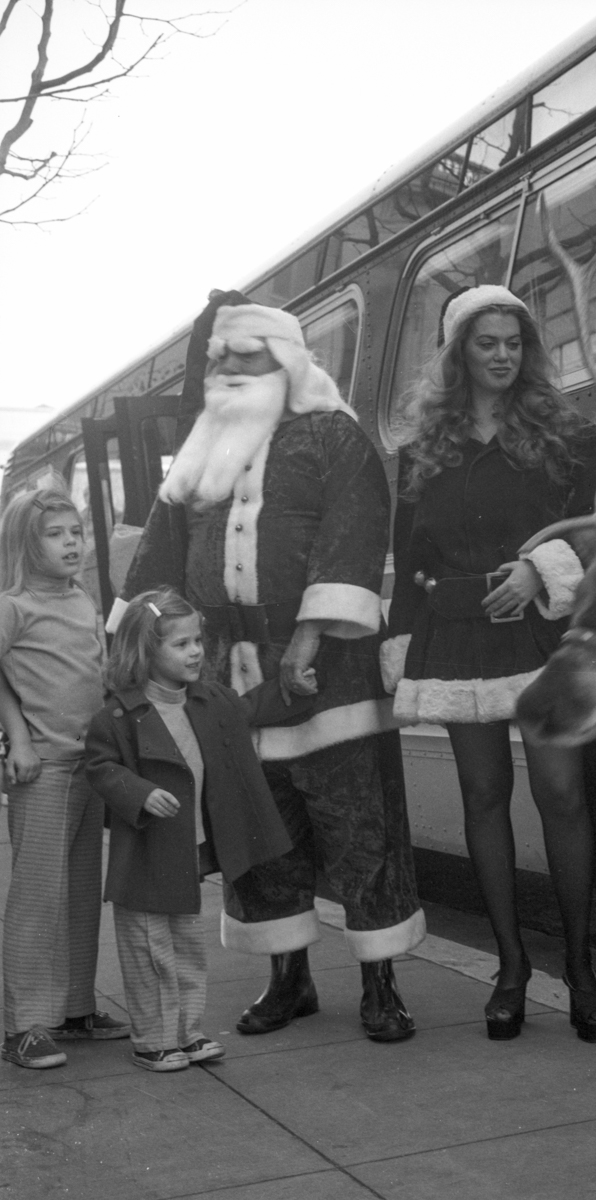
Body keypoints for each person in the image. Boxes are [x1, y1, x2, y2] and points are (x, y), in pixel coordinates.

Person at [115, 297, 424, 1043]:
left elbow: (349, 540)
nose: (226, 372)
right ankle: (289, 980)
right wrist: (139, 653)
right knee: (261, 832)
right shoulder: (195, 460)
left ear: (284, 362)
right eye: (220, 360)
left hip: (331, 673)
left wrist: (309, 642)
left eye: (243, 358)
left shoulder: (332, 437)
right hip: (225, 678)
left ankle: (381, 982)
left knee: (358, 827)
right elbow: (158, 568)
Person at [382, 284, 596, 1042]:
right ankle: (511, 969)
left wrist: (539, 567)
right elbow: (409, 554)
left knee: (562, 795)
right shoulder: (422, 451)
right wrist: (400, 650)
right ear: (459, 354)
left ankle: (581, 970)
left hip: (543, 633)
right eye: (488, 344)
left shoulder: (571, 437)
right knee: (484, 797)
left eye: (514, 342)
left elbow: (591, 532)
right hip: (458, 636)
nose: (504, 356)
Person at [86, 588, 300, 1071]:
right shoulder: (120, 713)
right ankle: (151, 1040)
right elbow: (99, 766)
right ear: (145, 651)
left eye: (197, 640)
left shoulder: (207, 700)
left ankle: (186, 1033)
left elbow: (248, 709)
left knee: (186, 947)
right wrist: (138, 792)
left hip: (183, 851)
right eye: (181, 644)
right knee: (147, 949)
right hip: (144, 855)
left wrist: (291, 686)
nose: (196, 651)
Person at [0, 485, 130, 1070]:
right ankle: (25, 1025)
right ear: (28, 544)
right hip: (45, 769)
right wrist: (18, 739)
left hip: (90, 766)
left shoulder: (81, 600)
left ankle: (76, 1009)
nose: (72, 543)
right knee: (37, 899)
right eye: (56, 535)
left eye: (75, 532)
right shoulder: (13, 606)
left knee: (80, 892)